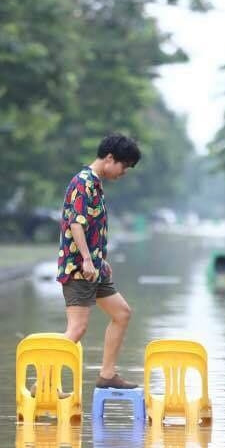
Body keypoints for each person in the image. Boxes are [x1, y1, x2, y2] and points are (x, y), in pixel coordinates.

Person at [56, 132, 141, 389]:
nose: (123, 172)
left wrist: (100, 260)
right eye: (123, 165)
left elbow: (93, 227)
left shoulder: (95, 184)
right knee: (77, 329)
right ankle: (45, 381)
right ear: (110, 158)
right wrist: (86, 259)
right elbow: (77, 224)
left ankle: (107, 374)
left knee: (122, 313)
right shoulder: (83, 182)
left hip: (95, 269)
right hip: (80, 269)